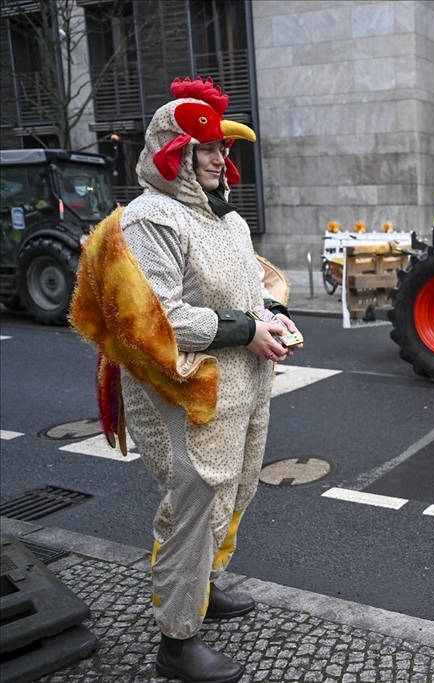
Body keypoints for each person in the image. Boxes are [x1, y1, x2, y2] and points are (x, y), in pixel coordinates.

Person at [70, 77, 301, 683]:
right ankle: (177, 640)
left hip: (244, 384)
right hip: (186, 389)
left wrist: (272, 318)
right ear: (174, 151)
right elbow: (158, 318)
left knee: (236, 487)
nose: (220, 159)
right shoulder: (152, 219)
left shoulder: (228, 220)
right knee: (195, 497)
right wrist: (246, 328)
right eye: (207, 149)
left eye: (222, 148)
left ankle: (205, 585)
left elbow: (248, 291)